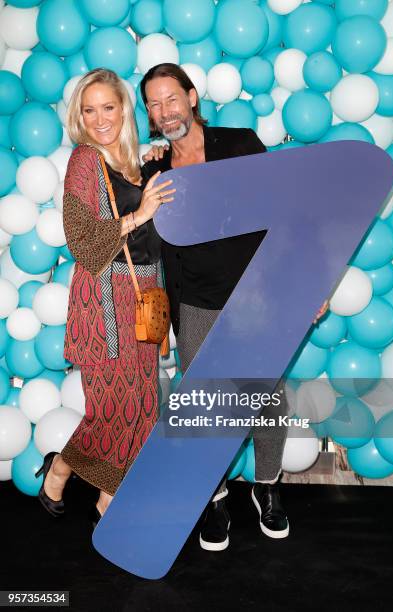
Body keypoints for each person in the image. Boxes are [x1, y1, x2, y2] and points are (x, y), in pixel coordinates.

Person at [140, 63, 293, 552]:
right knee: (209, 409)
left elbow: (282, 213)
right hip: (195, 304)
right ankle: (217, 496)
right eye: (154, 105)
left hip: (256, 298)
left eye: (171, 99)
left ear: (191, 97)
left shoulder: (240, 143)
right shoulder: (154, 168)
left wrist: (303, 285)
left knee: (268, 401)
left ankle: (266, 487)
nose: (165, 112)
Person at [34, 68, 175, 526]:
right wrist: (141, 213)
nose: (99, 119)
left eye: (108, 107)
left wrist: (154, 164)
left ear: (124, 109)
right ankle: (107, 502)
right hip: (104, 302)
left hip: (143, 296)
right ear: (80, 116)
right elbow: (82, 243)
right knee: (116, 407)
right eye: (89, 110)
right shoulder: (83, 161)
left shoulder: (134, 161)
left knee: (142, 405)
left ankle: (60, 468)